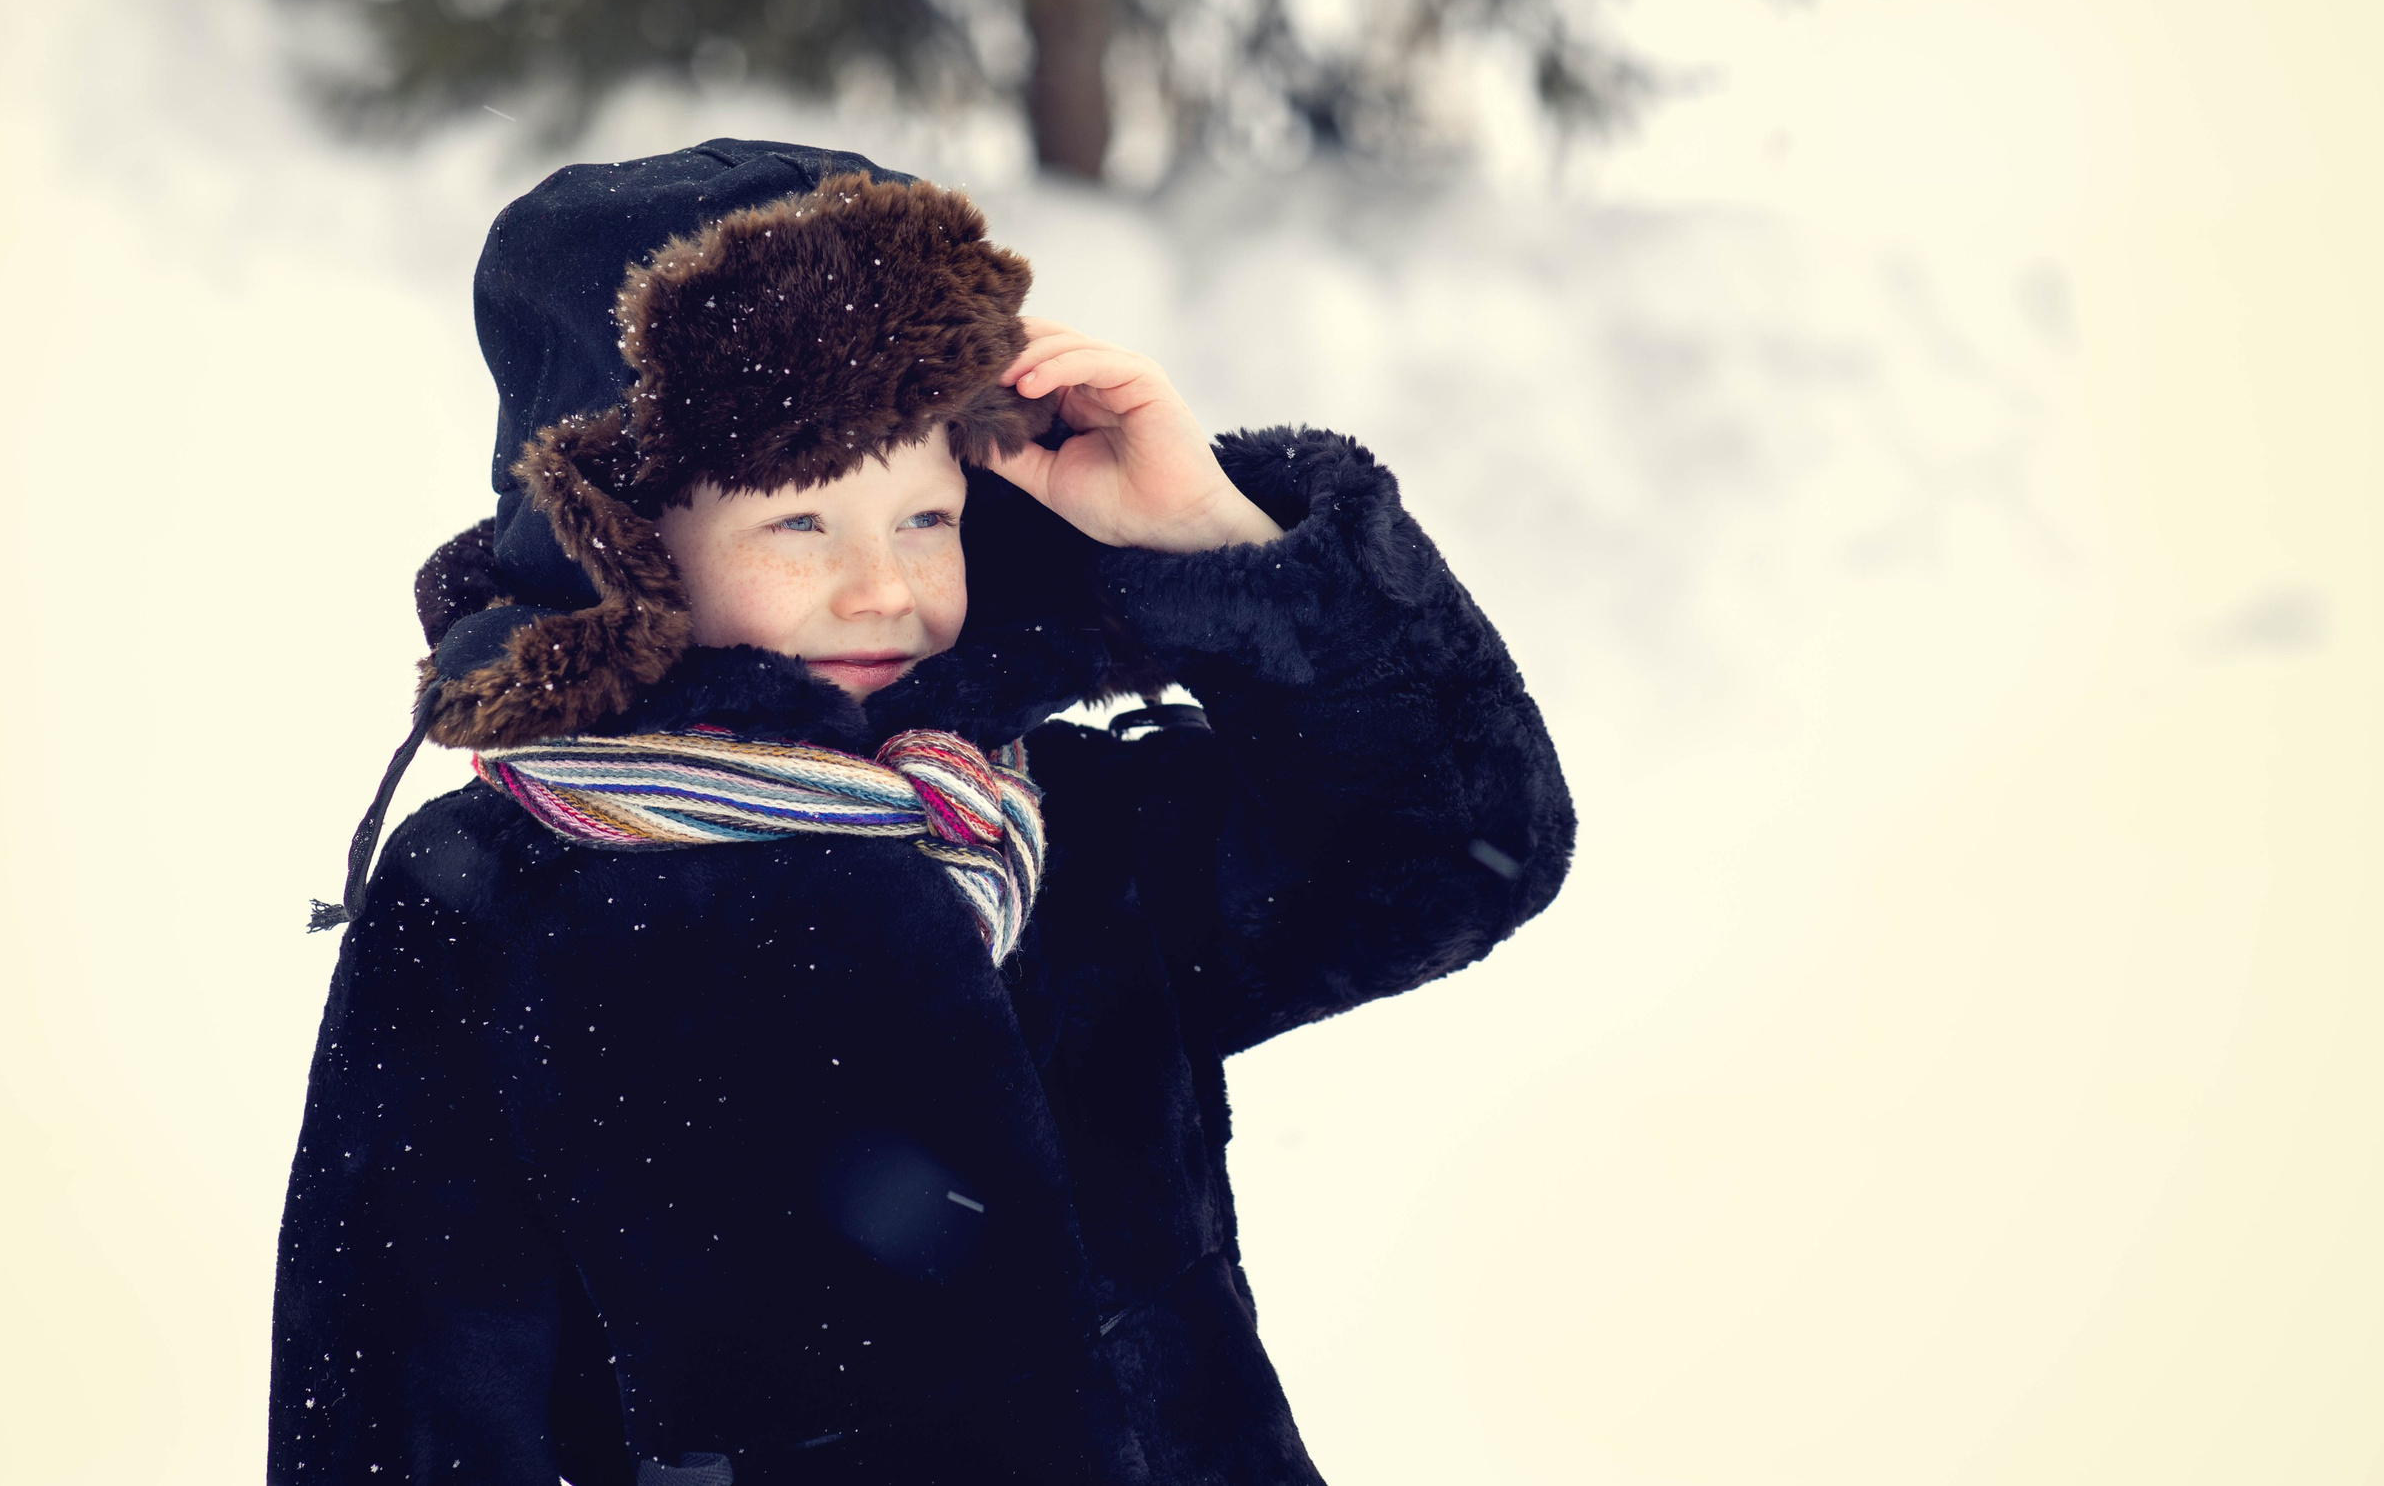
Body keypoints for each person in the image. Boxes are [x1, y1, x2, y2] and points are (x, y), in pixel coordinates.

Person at [269, 137, 1575, 1486]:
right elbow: (388, 1404)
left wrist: (1217, 545)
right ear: (627, 545)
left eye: (928, 518)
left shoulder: (1035, 817)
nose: (883, 585)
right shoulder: (502, 891)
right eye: (799, 527)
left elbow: (1450, 855)